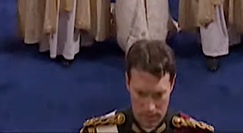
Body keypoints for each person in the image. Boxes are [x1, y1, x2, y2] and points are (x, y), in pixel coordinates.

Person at [80, 40, 213, 133]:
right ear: (127, 81)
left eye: (158, 95)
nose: (150, 108)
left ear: (172, 83)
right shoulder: (101, 131)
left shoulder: (190, 132)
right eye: (141, 94)